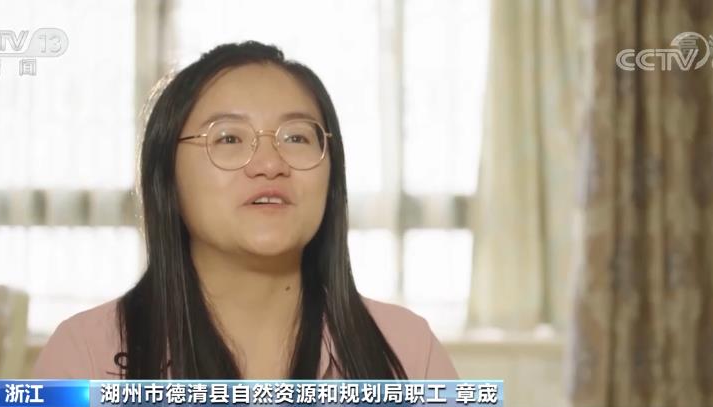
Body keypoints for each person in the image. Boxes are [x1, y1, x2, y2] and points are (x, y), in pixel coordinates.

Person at [33, 41, 457, 380]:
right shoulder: (86, 356)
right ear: (167, 176)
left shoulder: (406, 350)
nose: (270, 164)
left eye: (296, 138)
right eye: (229, 139)